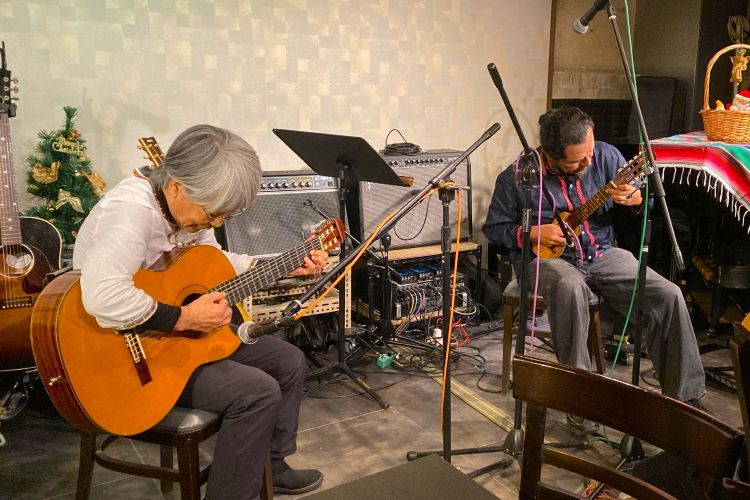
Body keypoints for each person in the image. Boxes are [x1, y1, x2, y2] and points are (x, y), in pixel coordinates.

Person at [73, 124, 327, 499]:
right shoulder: (131, 212)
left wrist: (283, 266)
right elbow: (103, 295)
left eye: (223, 216)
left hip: (174, 338)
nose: (215, 223)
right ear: (176, 186)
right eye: (212, 214)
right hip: (127, 358)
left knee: (288, 361)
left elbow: (213, 263)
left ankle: (271, 465)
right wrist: (184, 318)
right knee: (258, 392)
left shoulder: (188, 212)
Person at [483, 107, 706, 431]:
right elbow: (494, 229)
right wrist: (531, 232)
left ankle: (685, 401)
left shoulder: (606, 157)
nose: (589, 161)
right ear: (550, 156)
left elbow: (641, 211)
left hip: (601, 252)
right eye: (577, 160)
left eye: (590, 151)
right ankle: (582, 404)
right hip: (546, 261)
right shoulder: (517, 177)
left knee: (667, 294)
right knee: (570, 287)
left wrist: (637, 201)